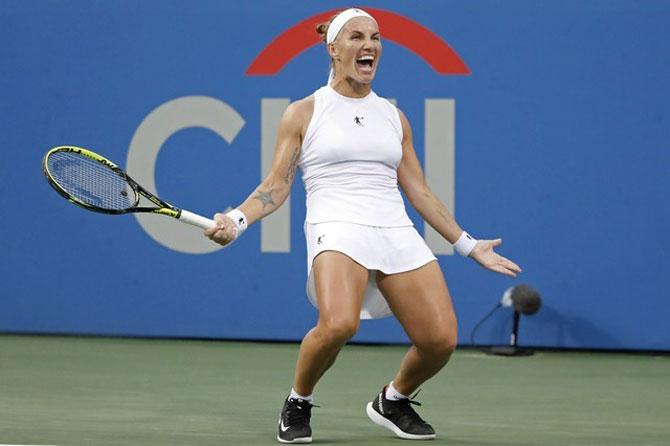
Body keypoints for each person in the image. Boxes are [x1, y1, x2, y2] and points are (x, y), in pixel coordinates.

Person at [205, 8, 522, 444]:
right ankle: (298, 400)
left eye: (374, 37)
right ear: (333, 49)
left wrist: (469, 246)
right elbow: (275, 186)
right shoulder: (302, 113)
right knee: (338, 324)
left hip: (393, 227)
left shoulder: (394, 117)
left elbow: (421, 193)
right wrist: (237, 220)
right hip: (335, 224)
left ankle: (393, 399)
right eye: (355, 37)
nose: (369, 44)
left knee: (440, 340)